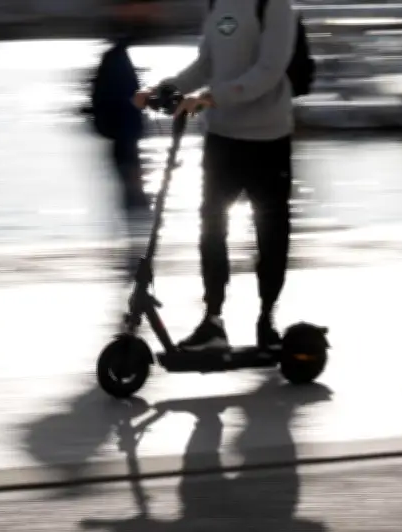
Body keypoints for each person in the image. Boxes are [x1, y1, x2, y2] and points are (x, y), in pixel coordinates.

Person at [134, 0, 298, 352]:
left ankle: (267, 317)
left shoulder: (273, 5)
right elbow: (207, 64)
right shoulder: (217, 3)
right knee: (211, 225)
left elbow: (269, 71)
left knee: (270, 233)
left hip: (267, 140)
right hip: (222, 138)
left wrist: (211, 96)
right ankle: (212, 320)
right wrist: (165, 88)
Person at [88, 0, 159, 276]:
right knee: (134, 195)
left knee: (130, 195)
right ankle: (139, 254)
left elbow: (111, 102)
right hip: (125, 140)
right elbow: (125, 104)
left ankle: (136, 252)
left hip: (121, 139)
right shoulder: (118, 62)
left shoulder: (113, 60)